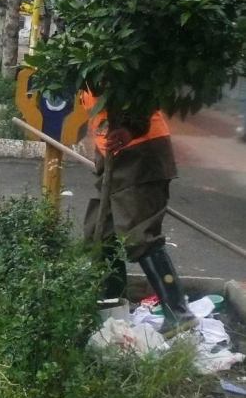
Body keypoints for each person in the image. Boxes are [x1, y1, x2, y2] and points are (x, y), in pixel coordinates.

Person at [81, 90, 196, 336]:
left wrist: (131, 129)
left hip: (141, 151)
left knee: (140, 235)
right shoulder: (83, 66)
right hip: (113, 157)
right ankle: (113, 311)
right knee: (98, 235)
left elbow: (145, 93)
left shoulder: (113, 59)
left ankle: (179, 313)